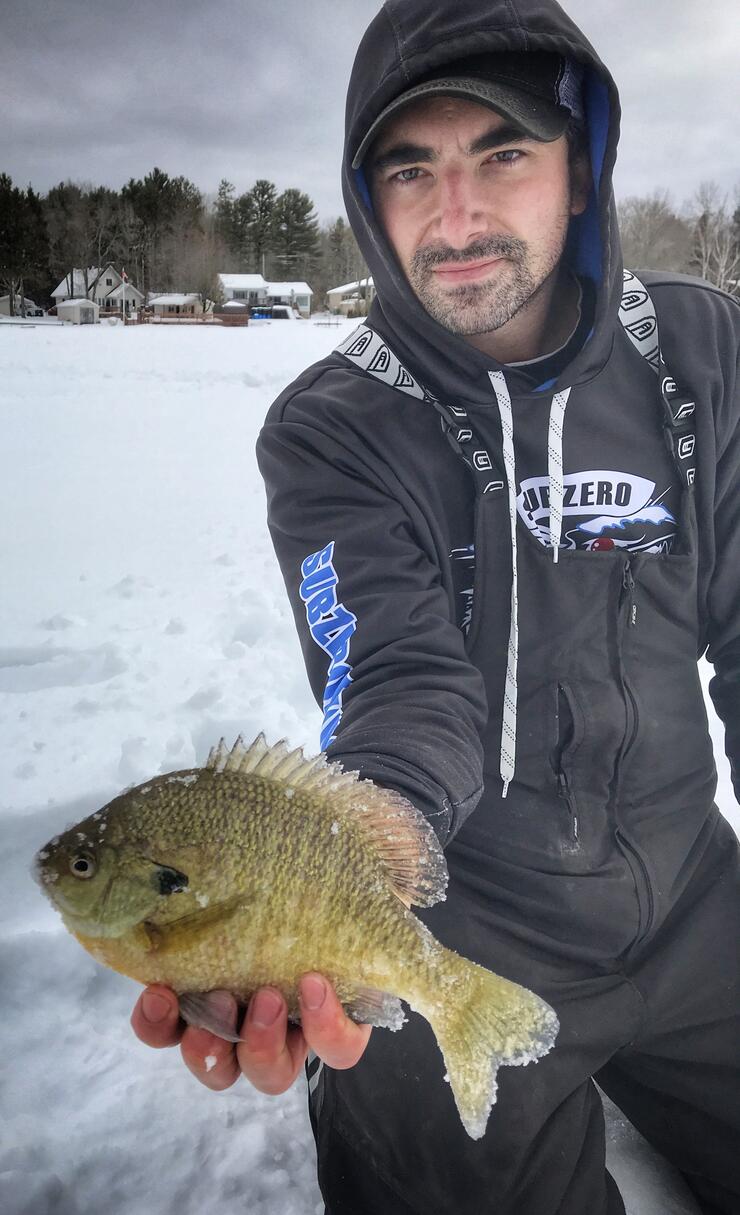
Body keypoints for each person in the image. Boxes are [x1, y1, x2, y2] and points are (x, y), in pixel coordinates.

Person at [133, 1, 740, 1211]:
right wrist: (346, 878)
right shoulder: (332, 426)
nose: (454, 217)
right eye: (411, 169)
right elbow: (400, 683)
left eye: (501, 154)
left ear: (581, 169)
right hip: (459, 924)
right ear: (369, 200)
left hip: (691, 898)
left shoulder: (699, 348)